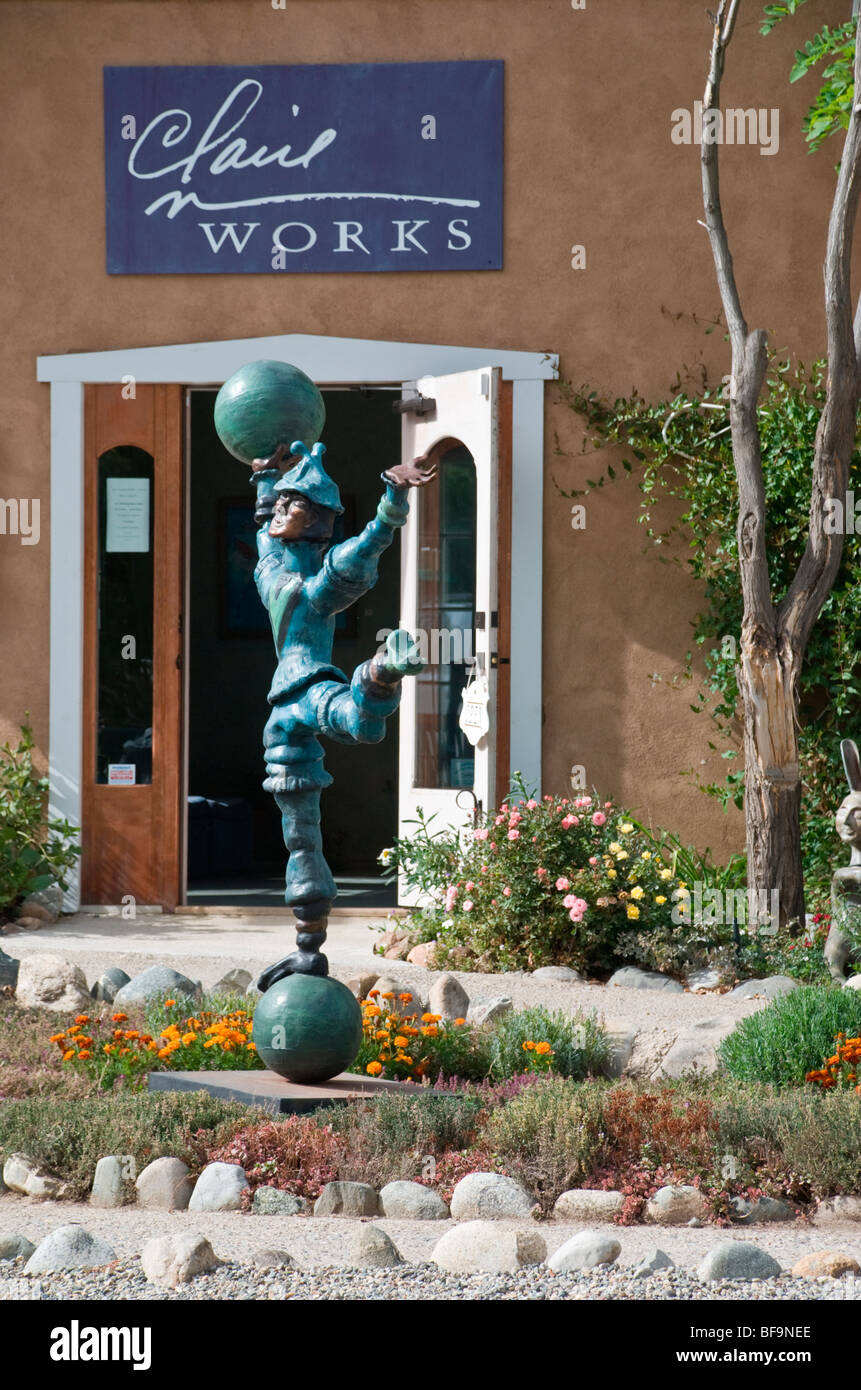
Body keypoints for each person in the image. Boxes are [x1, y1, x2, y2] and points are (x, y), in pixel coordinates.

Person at [249, 434, 452, 989]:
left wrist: (391, 502)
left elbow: (367, 547)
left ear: (316, 522)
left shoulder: (320, 581)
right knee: (300, 826)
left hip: (310, 686)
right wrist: (268, 473)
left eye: (296, 507)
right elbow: (264, 517)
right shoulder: (270, 565)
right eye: (285, 504)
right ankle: (307, 942)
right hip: (282, 710)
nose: (283, 512)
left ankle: (378, 673)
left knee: (360, 724)